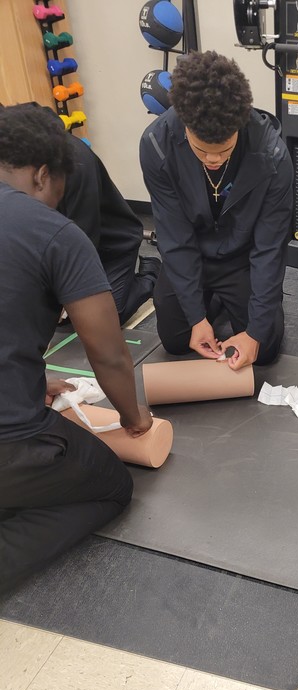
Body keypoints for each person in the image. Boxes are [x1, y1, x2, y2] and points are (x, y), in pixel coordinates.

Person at [0, 104, 152, 593]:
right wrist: (133, 418)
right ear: (44, 174)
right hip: (9, 444)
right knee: (111, 486)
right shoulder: (54, 234)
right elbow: (108, 354)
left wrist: (31, 378)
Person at [140, 50, 294, 371]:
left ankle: (224, 301)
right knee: (176, 341)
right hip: (191, 249)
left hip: (242, 257)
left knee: (263, 349)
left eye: (224, 149)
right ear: (184, 126)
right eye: (202, 150)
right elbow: (175, 237)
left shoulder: (272, 155)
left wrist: (254, 332)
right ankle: (208, 306)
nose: (213, 160)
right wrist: (197, 317)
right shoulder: (157, 145)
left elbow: (270, 249)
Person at [58, 132, 161, 325]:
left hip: (112, 245)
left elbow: (83, 240)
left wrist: (59, 298)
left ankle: (150, 274)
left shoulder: (74, 159)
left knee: (104, 320)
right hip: (65, 246)